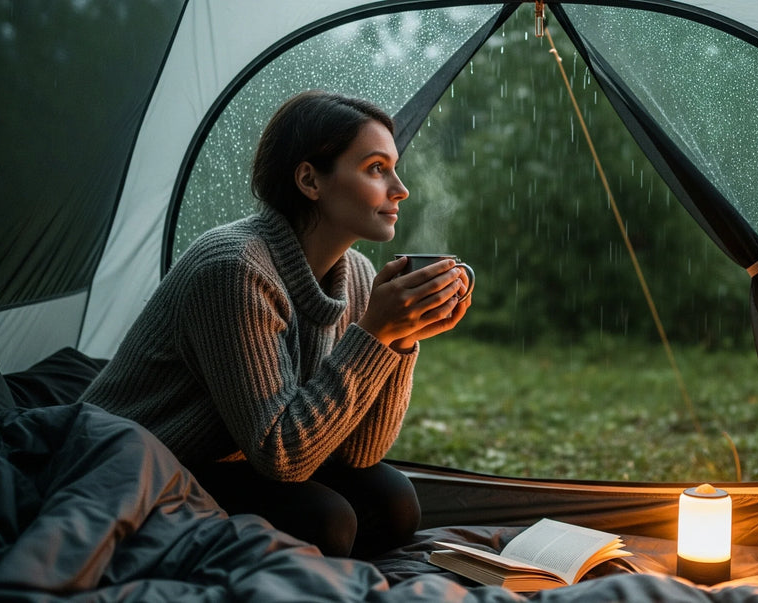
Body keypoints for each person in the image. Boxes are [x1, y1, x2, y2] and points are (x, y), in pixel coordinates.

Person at [79, 90, 471, 559]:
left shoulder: (362, 276)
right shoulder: (233, 267)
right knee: (325, 520)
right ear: (310, 180)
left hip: (238, 455)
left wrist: (401, 339)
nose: (400, 188)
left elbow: (360, 453)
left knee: (395, 502)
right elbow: (282, 456)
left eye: (394, 167)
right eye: (376, 168)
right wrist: (375, 334)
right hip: (141, 459)